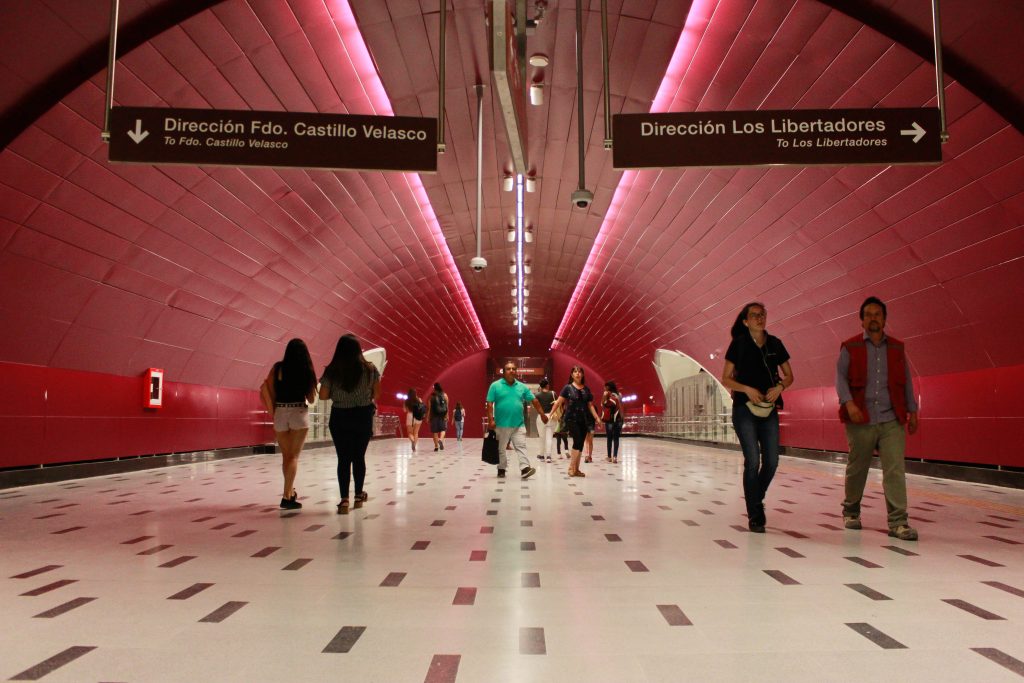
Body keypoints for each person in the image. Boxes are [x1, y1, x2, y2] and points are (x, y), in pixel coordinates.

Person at [836, 296, 920, 541]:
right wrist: (849, 403)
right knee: (857, 467)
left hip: (891, 418)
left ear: (884, 319)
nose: (873, 318)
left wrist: (912, 411)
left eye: (878, 314)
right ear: (862, 320)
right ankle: (851, 511)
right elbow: (840, 378)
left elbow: (905, 381)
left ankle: (898, 522)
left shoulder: (896, 348)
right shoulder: (850, 347)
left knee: (895, 469)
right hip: (860, 418)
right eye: (869, 314)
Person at [721, 302, 793, 533]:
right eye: (754, 316)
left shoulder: (775, 344)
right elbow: (726, 378)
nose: (759, 318)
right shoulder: (738, 345)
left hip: (768, 408)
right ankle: (755, 513)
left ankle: (755, 497)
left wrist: (780, 387)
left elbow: (790, 375)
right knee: (753, 460)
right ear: (745, 321)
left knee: (772, 461)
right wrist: (746, 389)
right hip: (744, 409)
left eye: (762, 314)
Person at [319, 334, 380, 515]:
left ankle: (344, 500)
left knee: (343, 459)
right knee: (358, 457)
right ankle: (359, 496)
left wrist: (339, 395)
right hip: (362, 416)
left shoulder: (332, 370)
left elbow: (322, 395)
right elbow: (377, 393)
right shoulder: (370, 369)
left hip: (340, 417)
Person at [260, 338, 317, 511]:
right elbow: (311, 398)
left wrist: (273, 411)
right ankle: (286, 497)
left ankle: (290, 491)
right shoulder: (306, 370)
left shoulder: (278, 368)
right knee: (293, 457)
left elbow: (266, 388)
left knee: (286, 456)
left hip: (280, 413)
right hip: (298, 413)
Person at [486, 361, 548, 479]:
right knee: (501, 449)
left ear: (516, 372)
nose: (511, 371)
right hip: (501, 424)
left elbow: (534, 400)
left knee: (521, 446)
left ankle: (525, 468)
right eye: (508, 369)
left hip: (519, 424)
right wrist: (491, 420)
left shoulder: (522, 387)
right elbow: (489, 403)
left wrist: (542, 414)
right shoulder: (495, 385)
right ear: (503, 372)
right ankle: (501, 468)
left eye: (514, 369)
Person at [552, 366, 602, 477]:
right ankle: (571, 468)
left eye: (580, 372)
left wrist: (597, 418)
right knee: (577, 440)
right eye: (575, 372)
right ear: (571, 375)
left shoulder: (586, 389)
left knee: (580, 444)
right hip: (571, 419)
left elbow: (590, 405)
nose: (577, 373)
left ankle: (576, 470)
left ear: (582, 375)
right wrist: (550, 414)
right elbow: (558, 402)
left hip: (584, 420)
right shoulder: (567, 388)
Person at [601, 381, 625, 464]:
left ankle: (609, 457)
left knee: (609, 438)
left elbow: (602, 404)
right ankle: (615, 457)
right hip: (618, 419)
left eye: (605, 387)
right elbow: (621, 406)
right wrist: (622, 418)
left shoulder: (606, 394)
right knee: (616, 438)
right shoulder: (619, 395)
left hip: (610, 420)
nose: (604, 388)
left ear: (608, 387)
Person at [535, 379, 557, 463]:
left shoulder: (537, 395)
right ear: (547, 385)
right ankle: (548, 456)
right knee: (549, 437)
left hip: (541, 416)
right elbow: (557, 404)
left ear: (540, 386)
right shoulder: (553, 393)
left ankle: (541, 455)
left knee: (542, 437)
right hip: (551, 417)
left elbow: (535, 406)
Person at [426, 382, 450, 451]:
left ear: (434, 388)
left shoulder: (432, 397)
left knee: (435, 432)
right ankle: (441, 440)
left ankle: (436, 447)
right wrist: (447, 415)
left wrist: (428, 417)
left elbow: (430, 408)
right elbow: (447, 407)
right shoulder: (445, 395)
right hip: (442, 415)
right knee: (443, 430)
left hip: (434, 416)